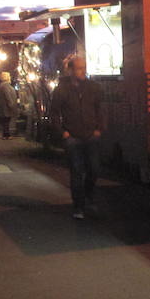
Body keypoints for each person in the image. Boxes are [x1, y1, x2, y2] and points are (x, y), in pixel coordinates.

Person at [50, 54, 104, 219]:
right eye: (80, 68)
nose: (83, 71)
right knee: (76, 171)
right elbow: (54, 113)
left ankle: (88, 196)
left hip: (91, 135)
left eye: (84, 68)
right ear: (71, 70)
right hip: (72, 137)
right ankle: (79, 206)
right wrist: (63, 132)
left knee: (94, 169)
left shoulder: (93, 88)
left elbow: (100, 109)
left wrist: (99, 129)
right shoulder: (62, 90)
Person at [0, 70, 19, 139]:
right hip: (6, 107)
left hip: (5, 107)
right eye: (9, 76)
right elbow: (7, 96)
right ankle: (6, 135)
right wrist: (11, 105)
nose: (10, 77)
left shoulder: (3, 85)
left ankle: (6, 134)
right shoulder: (5, 86)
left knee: (6, 121)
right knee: (6, 121)